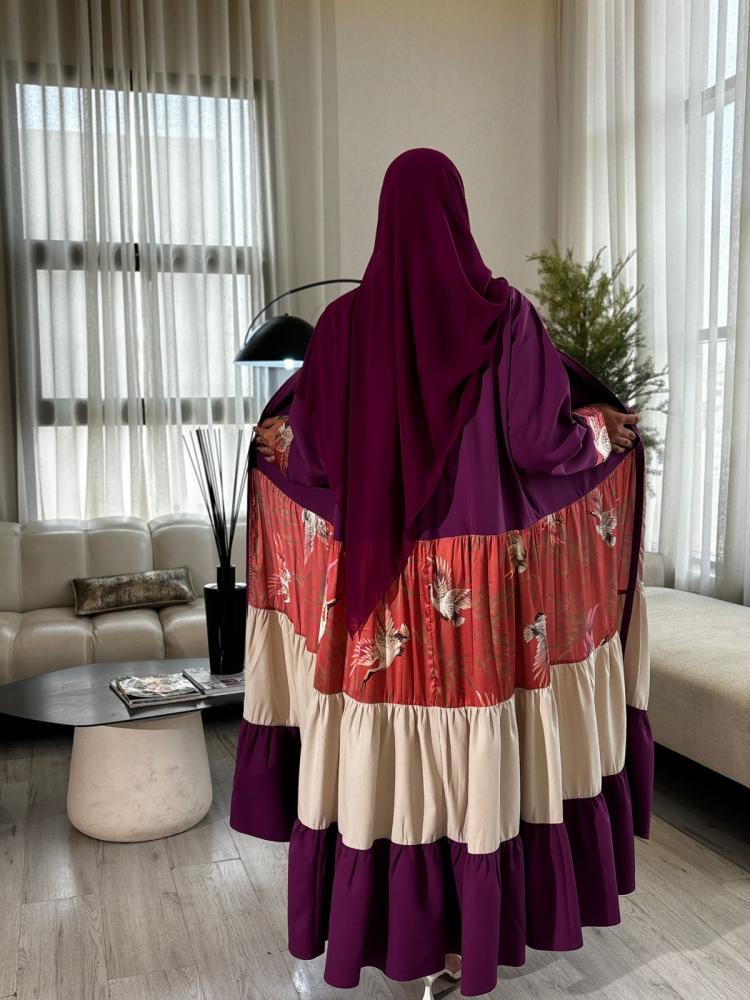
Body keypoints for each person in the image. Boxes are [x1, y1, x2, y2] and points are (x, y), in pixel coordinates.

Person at [229, 148, 654, 999]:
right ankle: (466, 946)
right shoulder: (506, 320)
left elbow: (316, 458)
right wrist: (603, 434)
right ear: (459, 216)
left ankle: (402, 936)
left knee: (386, 764)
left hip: (375, 589)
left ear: (385, 219)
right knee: (478, 755)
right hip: (477, 588)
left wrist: (275, 444)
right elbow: (541, 444)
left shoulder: (343, 327)